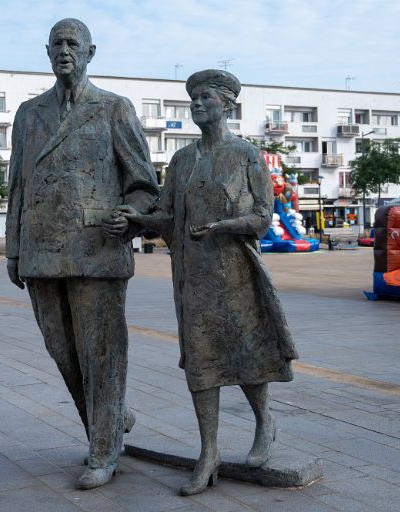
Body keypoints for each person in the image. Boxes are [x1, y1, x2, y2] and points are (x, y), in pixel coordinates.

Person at [118, 69, 297, 496]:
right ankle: (209, 453)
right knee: (201, 362)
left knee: (247, 355)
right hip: (193, 277)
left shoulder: (247, 155)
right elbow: (165, 216)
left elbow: (262, 219)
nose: (197, 104)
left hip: (237, 273)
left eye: (205, 98)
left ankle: (263, 421)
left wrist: (220, 226)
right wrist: (137, 220)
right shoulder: (181, 160)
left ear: (227, 104)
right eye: (193, 98)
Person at [4, 18, 159, 490]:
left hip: (96, 249)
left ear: (92, 51)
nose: (64, 50)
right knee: (62, 351)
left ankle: (104, 446)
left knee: (102, 353)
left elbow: (143, 185)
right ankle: (112, 419)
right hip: (41, 250)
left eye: (73, 43)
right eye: (56, 44)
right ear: (46, 51)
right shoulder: (29, 114)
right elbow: (18, 187)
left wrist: (130, 214)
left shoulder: (114, 109)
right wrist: (13, 249)